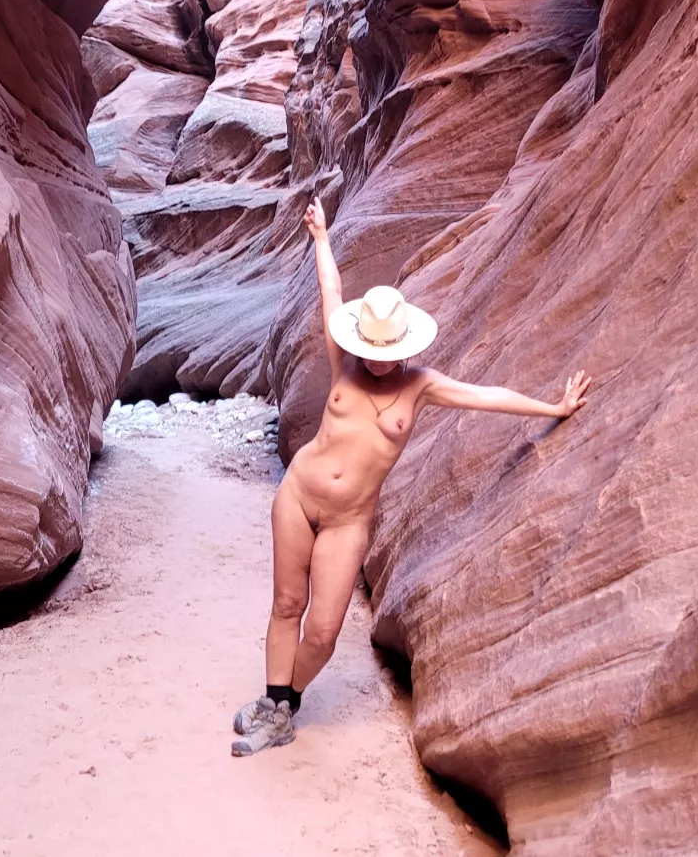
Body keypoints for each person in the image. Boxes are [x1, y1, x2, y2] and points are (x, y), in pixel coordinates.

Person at [231, 196, 591, 757]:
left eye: (384, 349)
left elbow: (484, 397)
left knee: (323, 631)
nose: (374, 358)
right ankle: (273, 705)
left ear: (402, 344)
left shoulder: (421, 385)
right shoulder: (343, 362)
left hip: (349, 520)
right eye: (368, 347)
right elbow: (331, 292)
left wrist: (553, 408)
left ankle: (289, 700)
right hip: (297, 496)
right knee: (285, 604)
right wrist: (321, 237)